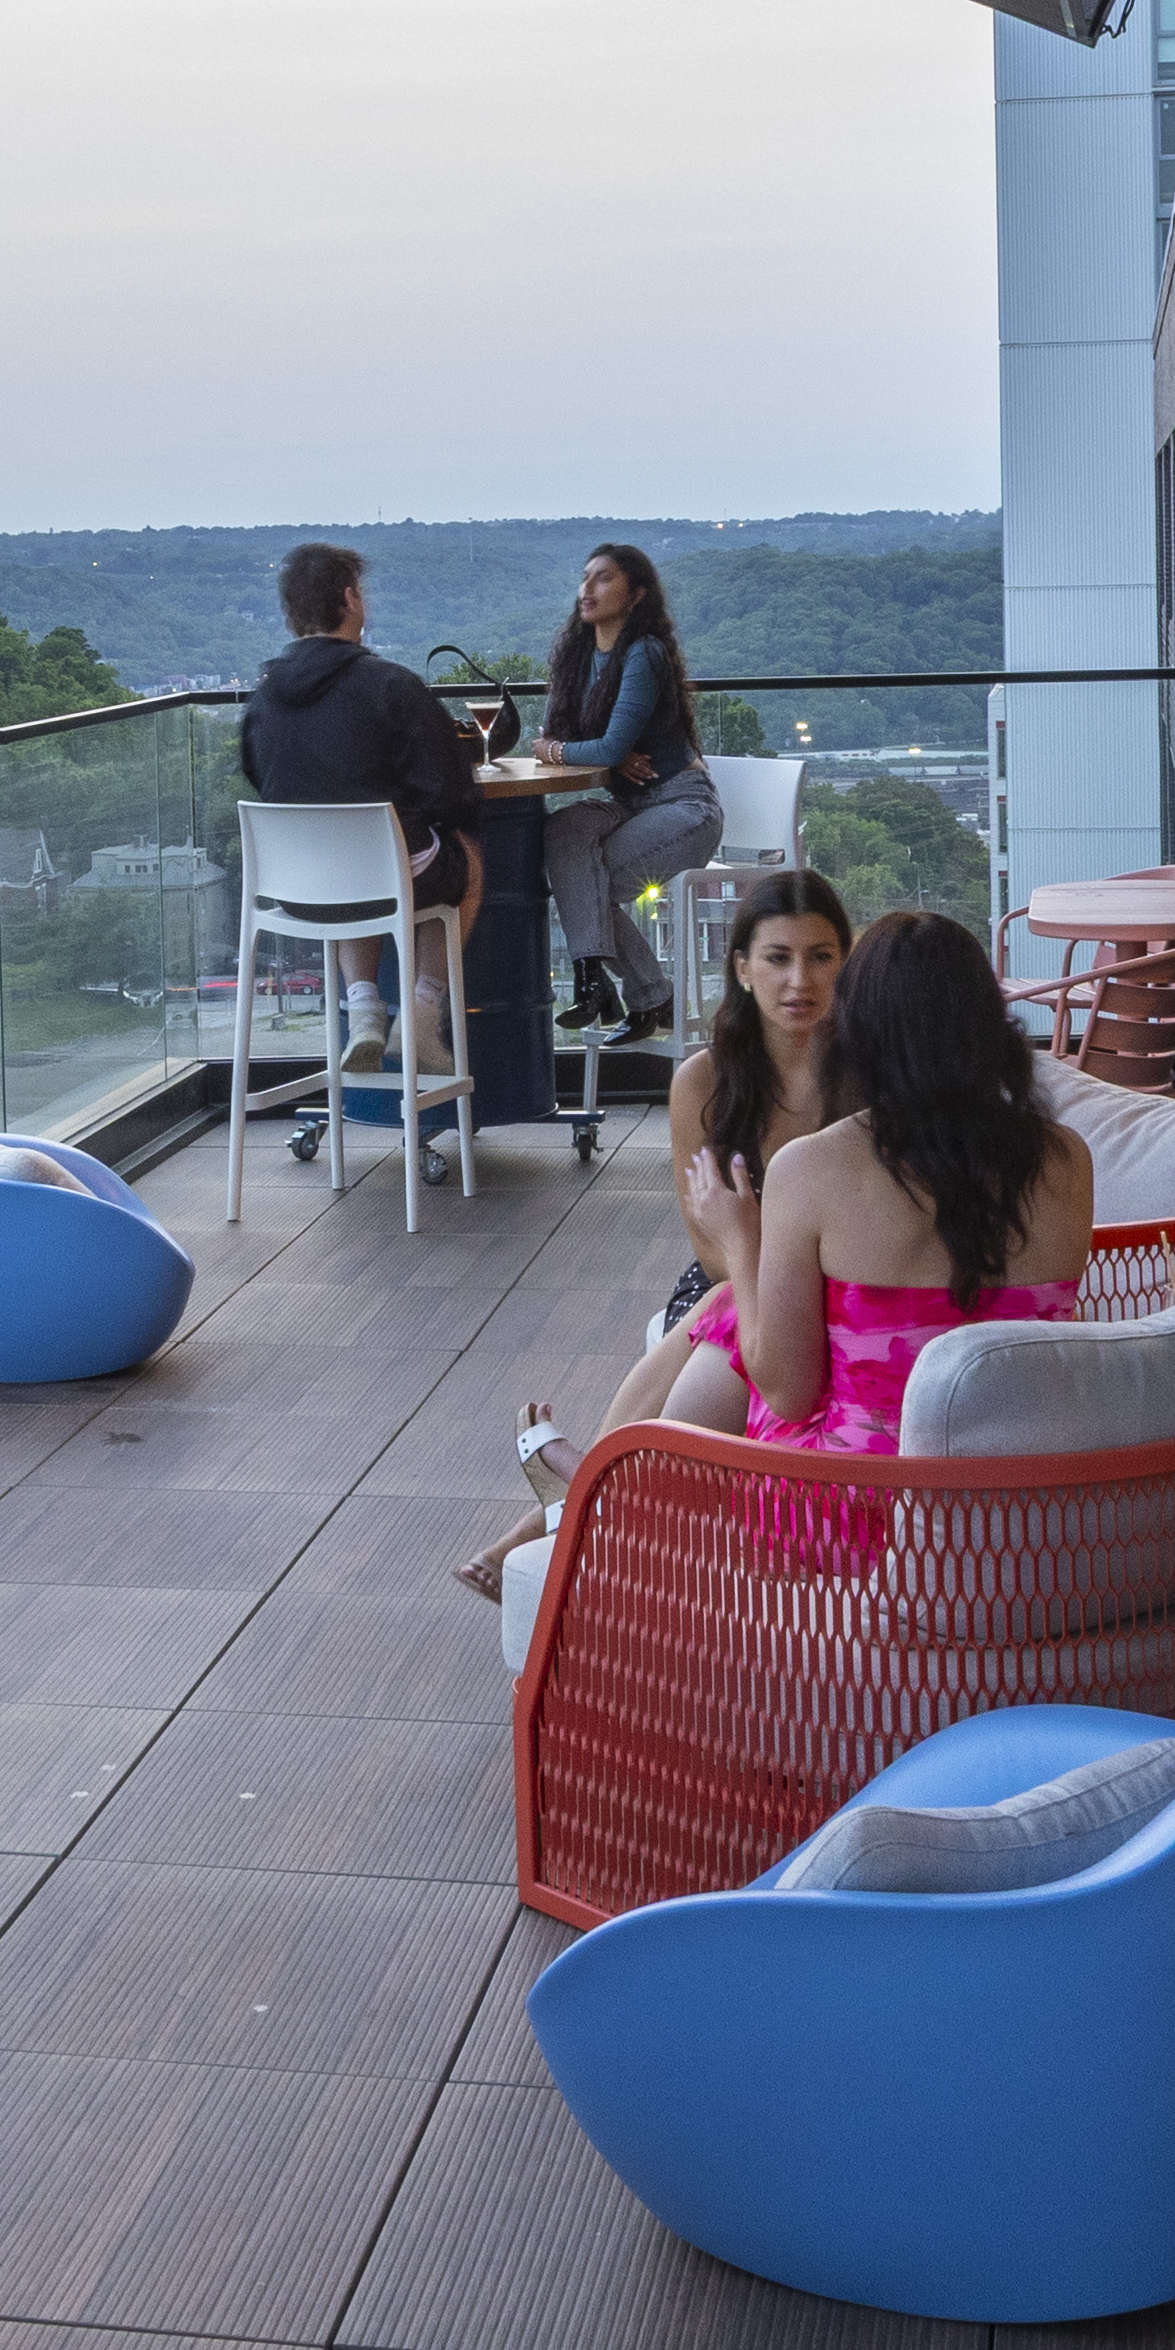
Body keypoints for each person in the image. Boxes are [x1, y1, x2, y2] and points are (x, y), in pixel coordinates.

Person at [459, 862, 846, 1603]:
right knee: (723, 1296)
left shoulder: (866, 1075)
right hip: (730, 1280)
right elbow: (710, 1245)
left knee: (727, 1302)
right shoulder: (704, 1081)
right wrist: (762, 1260)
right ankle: (586, 1501)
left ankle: (573, 1498)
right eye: (778, 957)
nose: (801, 980)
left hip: (833, 1290)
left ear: (846, 963)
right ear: (741, 968)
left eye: (821, 956)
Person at [729, 907, 1103, 1462]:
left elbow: (789, 1395)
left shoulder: (807, 1170)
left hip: (868, 1513)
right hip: (1029, 1510)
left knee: (722, 1323)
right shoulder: (1067, 1158)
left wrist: (740, 1241)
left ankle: (596, 1486)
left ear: (857, 1028)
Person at [231, 540, 481, 1068]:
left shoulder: (262, 698)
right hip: (387, 877)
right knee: (464, 860)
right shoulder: (392, 685)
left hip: (297, 890)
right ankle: (420, 1014)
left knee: (357, 865)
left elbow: (260, 778)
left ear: (292, 614)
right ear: (350, 599)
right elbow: (453, 796)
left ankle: (364, 1009)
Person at [525, 542, 718, 1044]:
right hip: (629, 804)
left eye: (603, 579)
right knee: (563, 831)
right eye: (584, 577)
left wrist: (568, 750)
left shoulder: (644, 654)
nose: (587, 589)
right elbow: (585, 741)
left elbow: (600, 747)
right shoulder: (578, 656)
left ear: (636, 596)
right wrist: (598, 751)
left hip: (683, 805)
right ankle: (613, 989)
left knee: (587, 885)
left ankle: (622, 990)